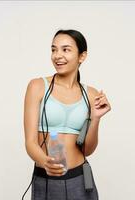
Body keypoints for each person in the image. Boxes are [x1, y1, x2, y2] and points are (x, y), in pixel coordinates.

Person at [22, 29, 111, 200]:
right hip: (46, 179)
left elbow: (87, 149)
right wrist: (45, 161)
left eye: (65, 49)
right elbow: (30, 142)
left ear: (82, 56)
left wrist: (96, 118)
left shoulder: (91, 94)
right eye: (54, 49)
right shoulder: (37, 86)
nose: (57, 55)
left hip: (80, 179)